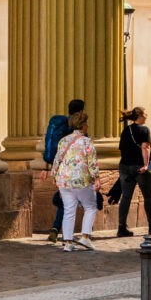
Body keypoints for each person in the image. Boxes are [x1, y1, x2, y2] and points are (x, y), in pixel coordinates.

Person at [51, 111, 100, 252]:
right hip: (82, 180)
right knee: (90, 207)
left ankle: (68, 242)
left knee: (69, 210)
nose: (88, 125)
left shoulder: (64, 140)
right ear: (83, 125)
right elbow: (92, 163)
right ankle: (85, 237)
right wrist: (96, 178)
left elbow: (57, 159)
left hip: (64, 180)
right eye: (86, 123)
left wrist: (54, 175)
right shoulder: (87, 142)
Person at [41, 97, 85, 242]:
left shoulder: (58, 124)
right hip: (71, 168)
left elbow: (51, 147)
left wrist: (47, 168)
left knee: (66, 199)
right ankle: (64, 232)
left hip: (59, 167)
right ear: (81, 111)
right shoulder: (76, 128)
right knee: (71, 201)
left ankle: (57, 228)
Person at [112, 107, 151, 239]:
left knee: (125, 197)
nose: (147, 115)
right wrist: (146, 165)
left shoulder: (126, 130)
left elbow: (122, 148)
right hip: (140, 167)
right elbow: (145, 147)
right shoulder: (144, 130)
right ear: (140, 116)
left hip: (125, 167)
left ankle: (121, 227)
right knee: (148, 196)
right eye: (145, 113)